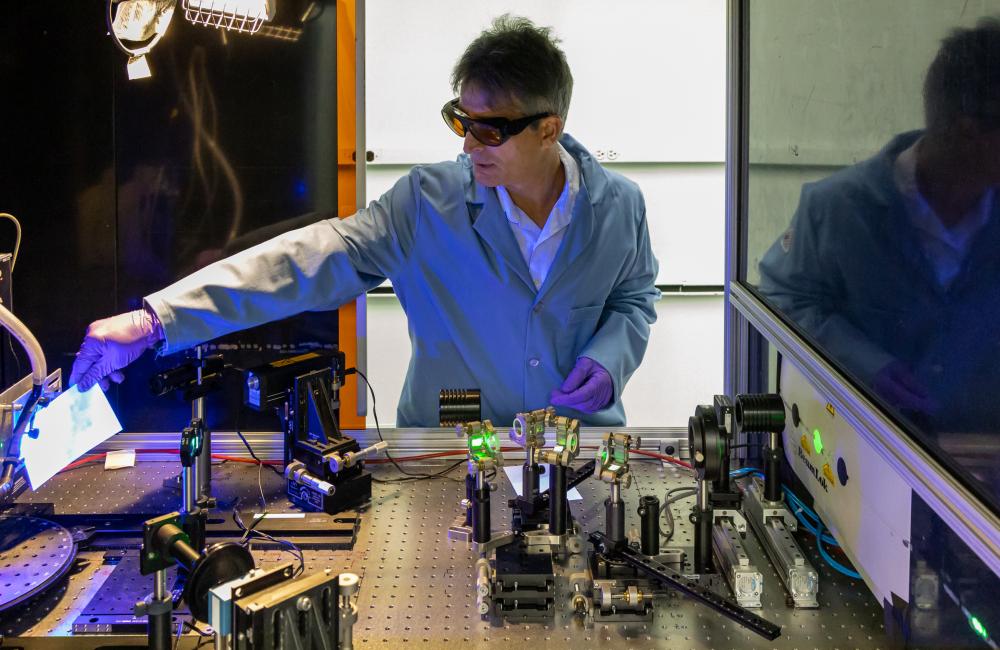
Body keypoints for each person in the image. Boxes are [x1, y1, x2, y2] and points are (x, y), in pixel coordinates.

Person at [69, 15, 660, 428]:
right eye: (461, 119)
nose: (468, 143)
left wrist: (611, 358)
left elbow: (633, 299)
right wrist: (156, 319)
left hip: (576, 448)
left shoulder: (620, 207)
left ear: (548, 129)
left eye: (490, 128)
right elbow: (309, 258)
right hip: (444, 453)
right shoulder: (429, 201)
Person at [758, 18, 1000, 434]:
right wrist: (868, 365)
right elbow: (785, 298)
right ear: (970, 135)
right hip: (868, 454)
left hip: (981, 471)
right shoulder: (838, 208)